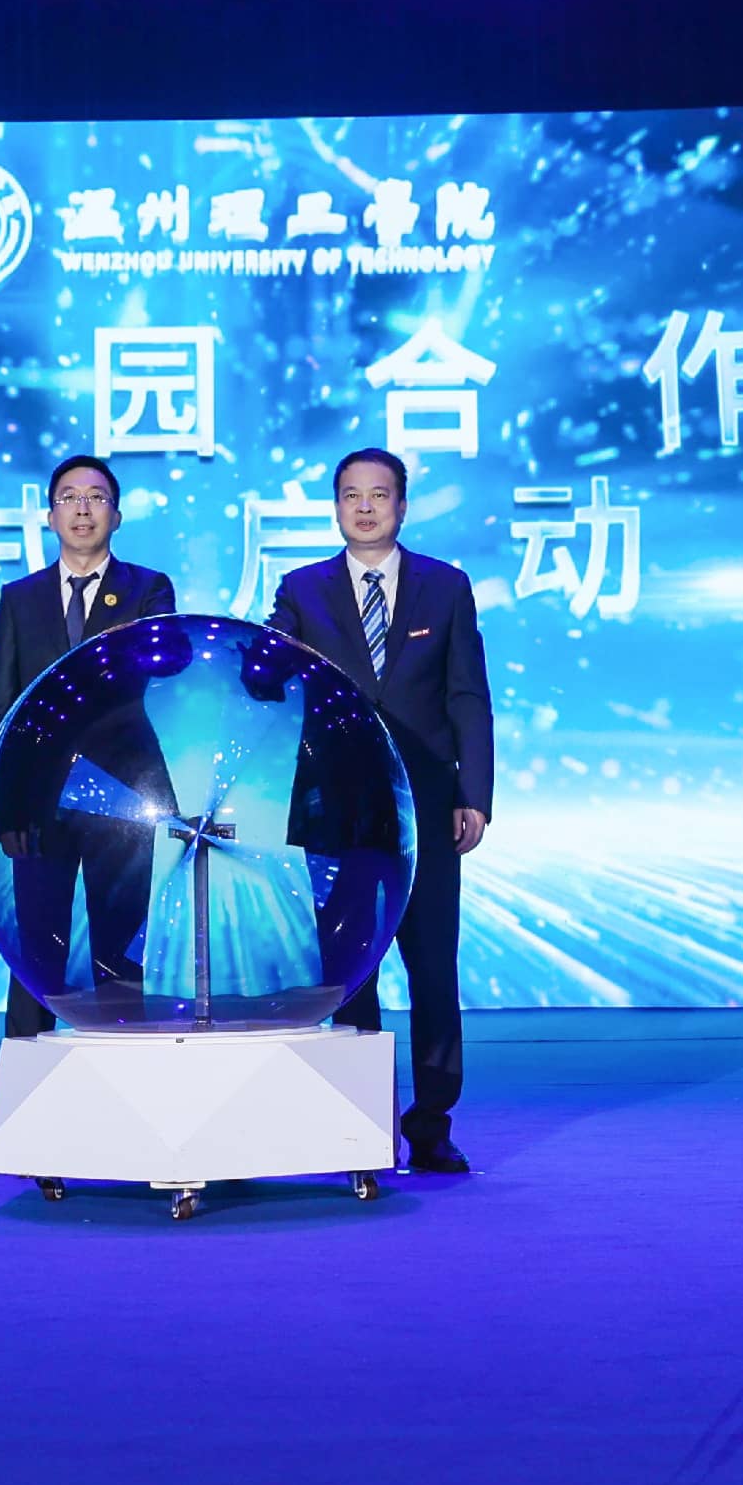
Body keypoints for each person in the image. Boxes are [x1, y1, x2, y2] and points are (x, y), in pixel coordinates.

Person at [265, 445, 492, 1173]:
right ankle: (358, 1124)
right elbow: (271, 681)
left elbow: (467, 697)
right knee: (349, 970)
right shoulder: (301, 590)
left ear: (402, 505)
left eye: (379, 494)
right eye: (351, 495)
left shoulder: (445, 586)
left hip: (427, 808)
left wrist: (474, 794)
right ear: (335, 507)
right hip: (336, 812)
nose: (364, 507)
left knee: (432, 969)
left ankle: (431, 1123)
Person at [0, 453, 177, 1038]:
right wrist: (8, 808)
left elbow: (166, 659)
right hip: (38, 801)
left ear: (116, 516)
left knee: (121, 946)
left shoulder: (147, 588)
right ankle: (27, 1068)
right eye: (69, 498)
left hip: (124, 794)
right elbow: (2, 708)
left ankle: (128, 1061)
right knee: (35, 949)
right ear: (49, 516)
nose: (82, 509)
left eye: (96, 498)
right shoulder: (20, 598)